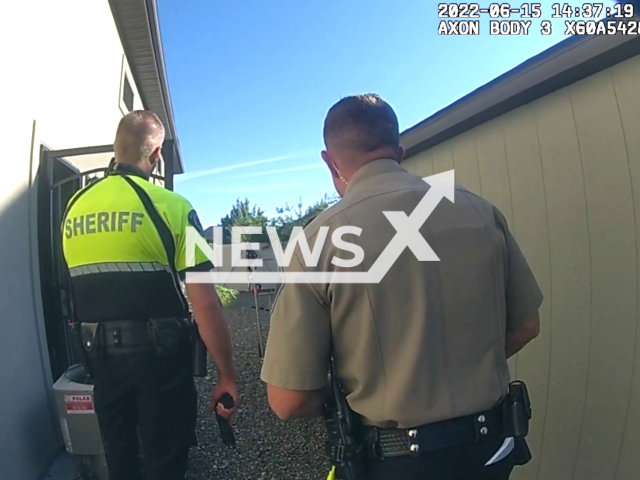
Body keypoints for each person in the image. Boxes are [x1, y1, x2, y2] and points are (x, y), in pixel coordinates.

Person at [260, 94, 542, 479]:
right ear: (400, 151)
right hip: (490, 453)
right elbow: (527, 325)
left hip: (392, 463)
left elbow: (287, 399)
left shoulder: (320, 240)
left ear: (330, 162)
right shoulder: (480, 212)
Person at [61, 110, 240, 480]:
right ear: (156, 153)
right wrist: (227, 376)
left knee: (120, 458)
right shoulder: (174, 207)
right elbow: (205, 304)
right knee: (165, 460)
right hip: (161, 363)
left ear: (116, 149)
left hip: (101, 363)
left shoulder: (74, 208)